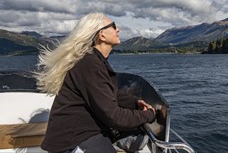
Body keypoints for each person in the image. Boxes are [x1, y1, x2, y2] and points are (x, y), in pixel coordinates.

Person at [34, 13, 156, 153]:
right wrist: (150, 115)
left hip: (84, 133)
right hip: (73, 140)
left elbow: (111, 93)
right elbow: (114, 116)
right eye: (114, 26)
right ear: (101, 35)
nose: (118, 30)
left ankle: (117, 139)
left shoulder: (93, 61)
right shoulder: (89, 64)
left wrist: (135, 102)